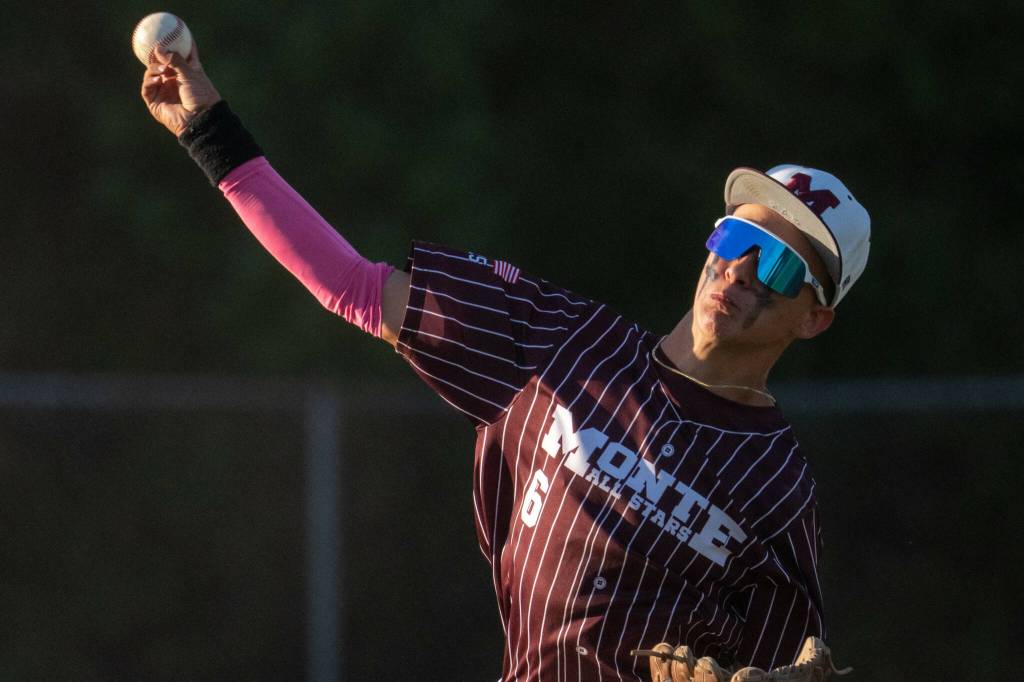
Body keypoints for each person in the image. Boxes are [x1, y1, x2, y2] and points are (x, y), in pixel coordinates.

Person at [141, 41, 869, 682]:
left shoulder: (777, 489)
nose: (741, 269)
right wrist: (210, 132)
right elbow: (352, 285)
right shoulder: (566, 345)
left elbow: (786, 661)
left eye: (778, 264)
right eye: (735, 238)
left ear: (815, 318)